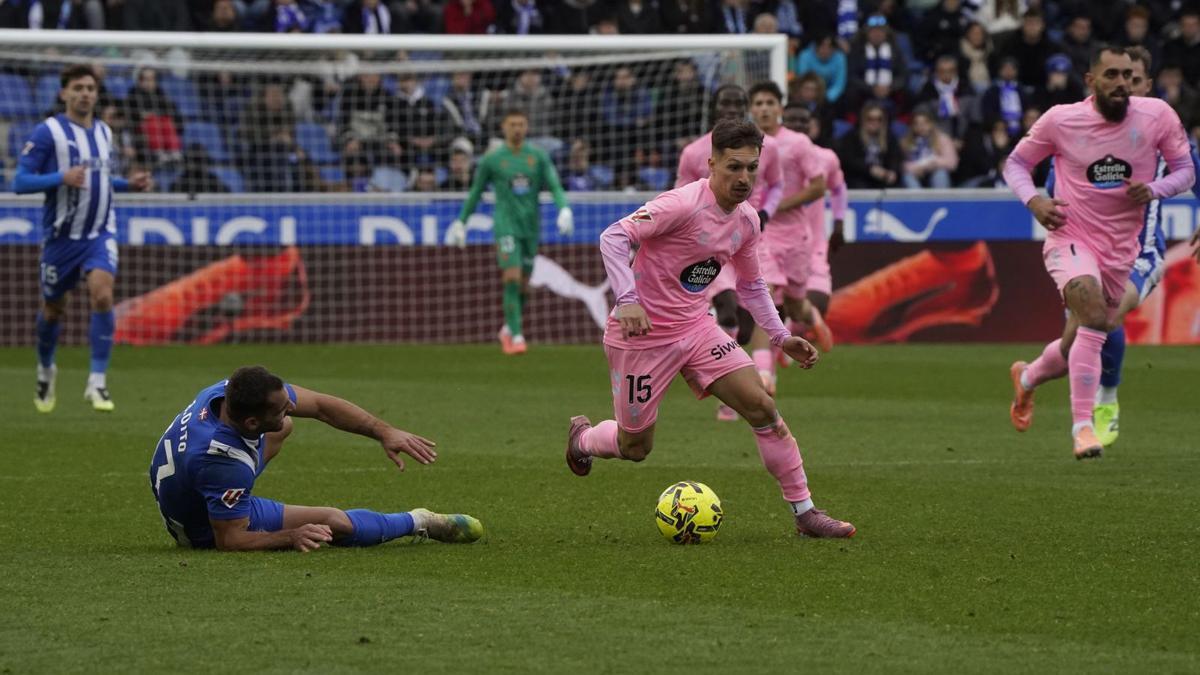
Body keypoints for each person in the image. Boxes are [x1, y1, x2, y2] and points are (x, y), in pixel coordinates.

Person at [564, 118, 855, 539]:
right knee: (635, 447)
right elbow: (614, 236)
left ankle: (805, 512)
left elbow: (751, 284)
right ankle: (584, 439)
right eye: (734, 167)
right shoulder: (680, 205)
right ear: (711, 162)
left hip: (698, 330)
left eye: (752, 168)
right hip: (643, 339)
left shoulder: (747, 221)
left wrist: (779, 336)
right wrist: (627, 301)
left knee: (763, 408)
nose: (744, 178)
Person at [1003, 46, 1194, 459]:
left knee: (1086, 333)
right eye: (1112, 75)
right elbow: (1016, 164)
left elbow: (1187, 171)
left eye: (1129, 75)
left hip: (1125, 248)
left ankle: (1029, 377)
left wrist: (1157, 189)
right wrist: (1035, 201)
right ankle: (1085, 425)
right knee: (1093, 312)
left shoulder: (1158, 116)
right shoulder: (1062, 120)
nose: (1122, 83)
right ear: (1091, 80)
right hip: (1070, 238)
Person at [149, 366, 483, 551]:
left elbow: (321, 406)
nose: (290, 406)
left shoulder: (225, 392)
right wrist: (289, 537)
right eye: (281, 407)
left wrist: (384, 431)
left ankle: (232, 492)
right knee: (334, 522)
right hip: (203, 528)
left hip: (198, 484)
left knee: (283, 427)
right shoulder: (222, 461)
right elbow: (230, 540)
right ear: (251, 423)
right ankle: (420, 520)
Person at [14, 64, 152, 414]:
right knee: (53, 309)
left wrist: (128, 184)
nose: (85, 93)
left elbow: (100, 179)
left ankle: (97, 382)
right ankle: (46, 370)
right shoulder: (48, 132)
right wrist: (60, 176)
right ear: (64, 93)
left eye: (90, 87)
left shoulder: (104, 131)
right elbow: (20, 181)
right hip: (61, 239)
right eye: (78, 87)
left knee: (103, 296)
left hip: (100, 233)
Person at [675, 84, 783, 420]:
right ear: (714, 108)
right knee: (727, 310)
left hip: (747, 236)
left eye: (739, 103)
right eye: (726, 103)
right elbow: (681, 195)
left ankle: (745, 375)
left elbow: (776, 183)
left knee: (747, 325)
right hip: (709, 246)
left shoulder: (768, 149)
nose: (732, 108)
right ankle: (728, 394)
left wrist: (767, 211)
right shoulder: (695, 152)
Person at [447, 109, 572, 355]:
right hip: (505, 226)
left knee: (525, 286)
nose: (517, 128)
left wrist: (564, 209)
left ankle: (508, 328)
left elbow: (554, 184)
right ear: (504, 127)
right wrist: (461, 221)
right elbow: (476, 192)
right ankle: (516, 336)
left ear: (527, 127)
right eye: (513, 124)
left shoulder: (537, 156)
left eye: (522, 124)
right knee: (512, 277)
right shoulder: (492, 159)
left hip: (530, 228)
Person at [745, 81, 831, 396]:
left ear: (780, 108)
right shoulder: (746, 144)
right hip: (762, 234)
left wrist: (780, 205)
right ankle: (765, 377)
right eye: (758, 103)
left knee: (794, 305)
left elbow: (819, 186)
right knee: (763, 296)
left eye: (770, 102)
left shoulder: (798, 144)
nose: (764, 109)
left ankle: (812, 318)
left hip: (795, 235)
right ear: (751, 109)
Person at [782, 104, 848, 340]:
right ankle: (768, 362)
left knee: (818, 301)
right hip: (775, 242)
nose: (798, 125)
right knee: (774, 307)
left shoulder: (825, 158)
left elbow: (839, 189)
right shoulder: (768, 154)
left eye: (803, 120)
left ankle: (785, 340)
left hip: (812, 244)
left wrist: (839, 223)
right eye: (792, 120)